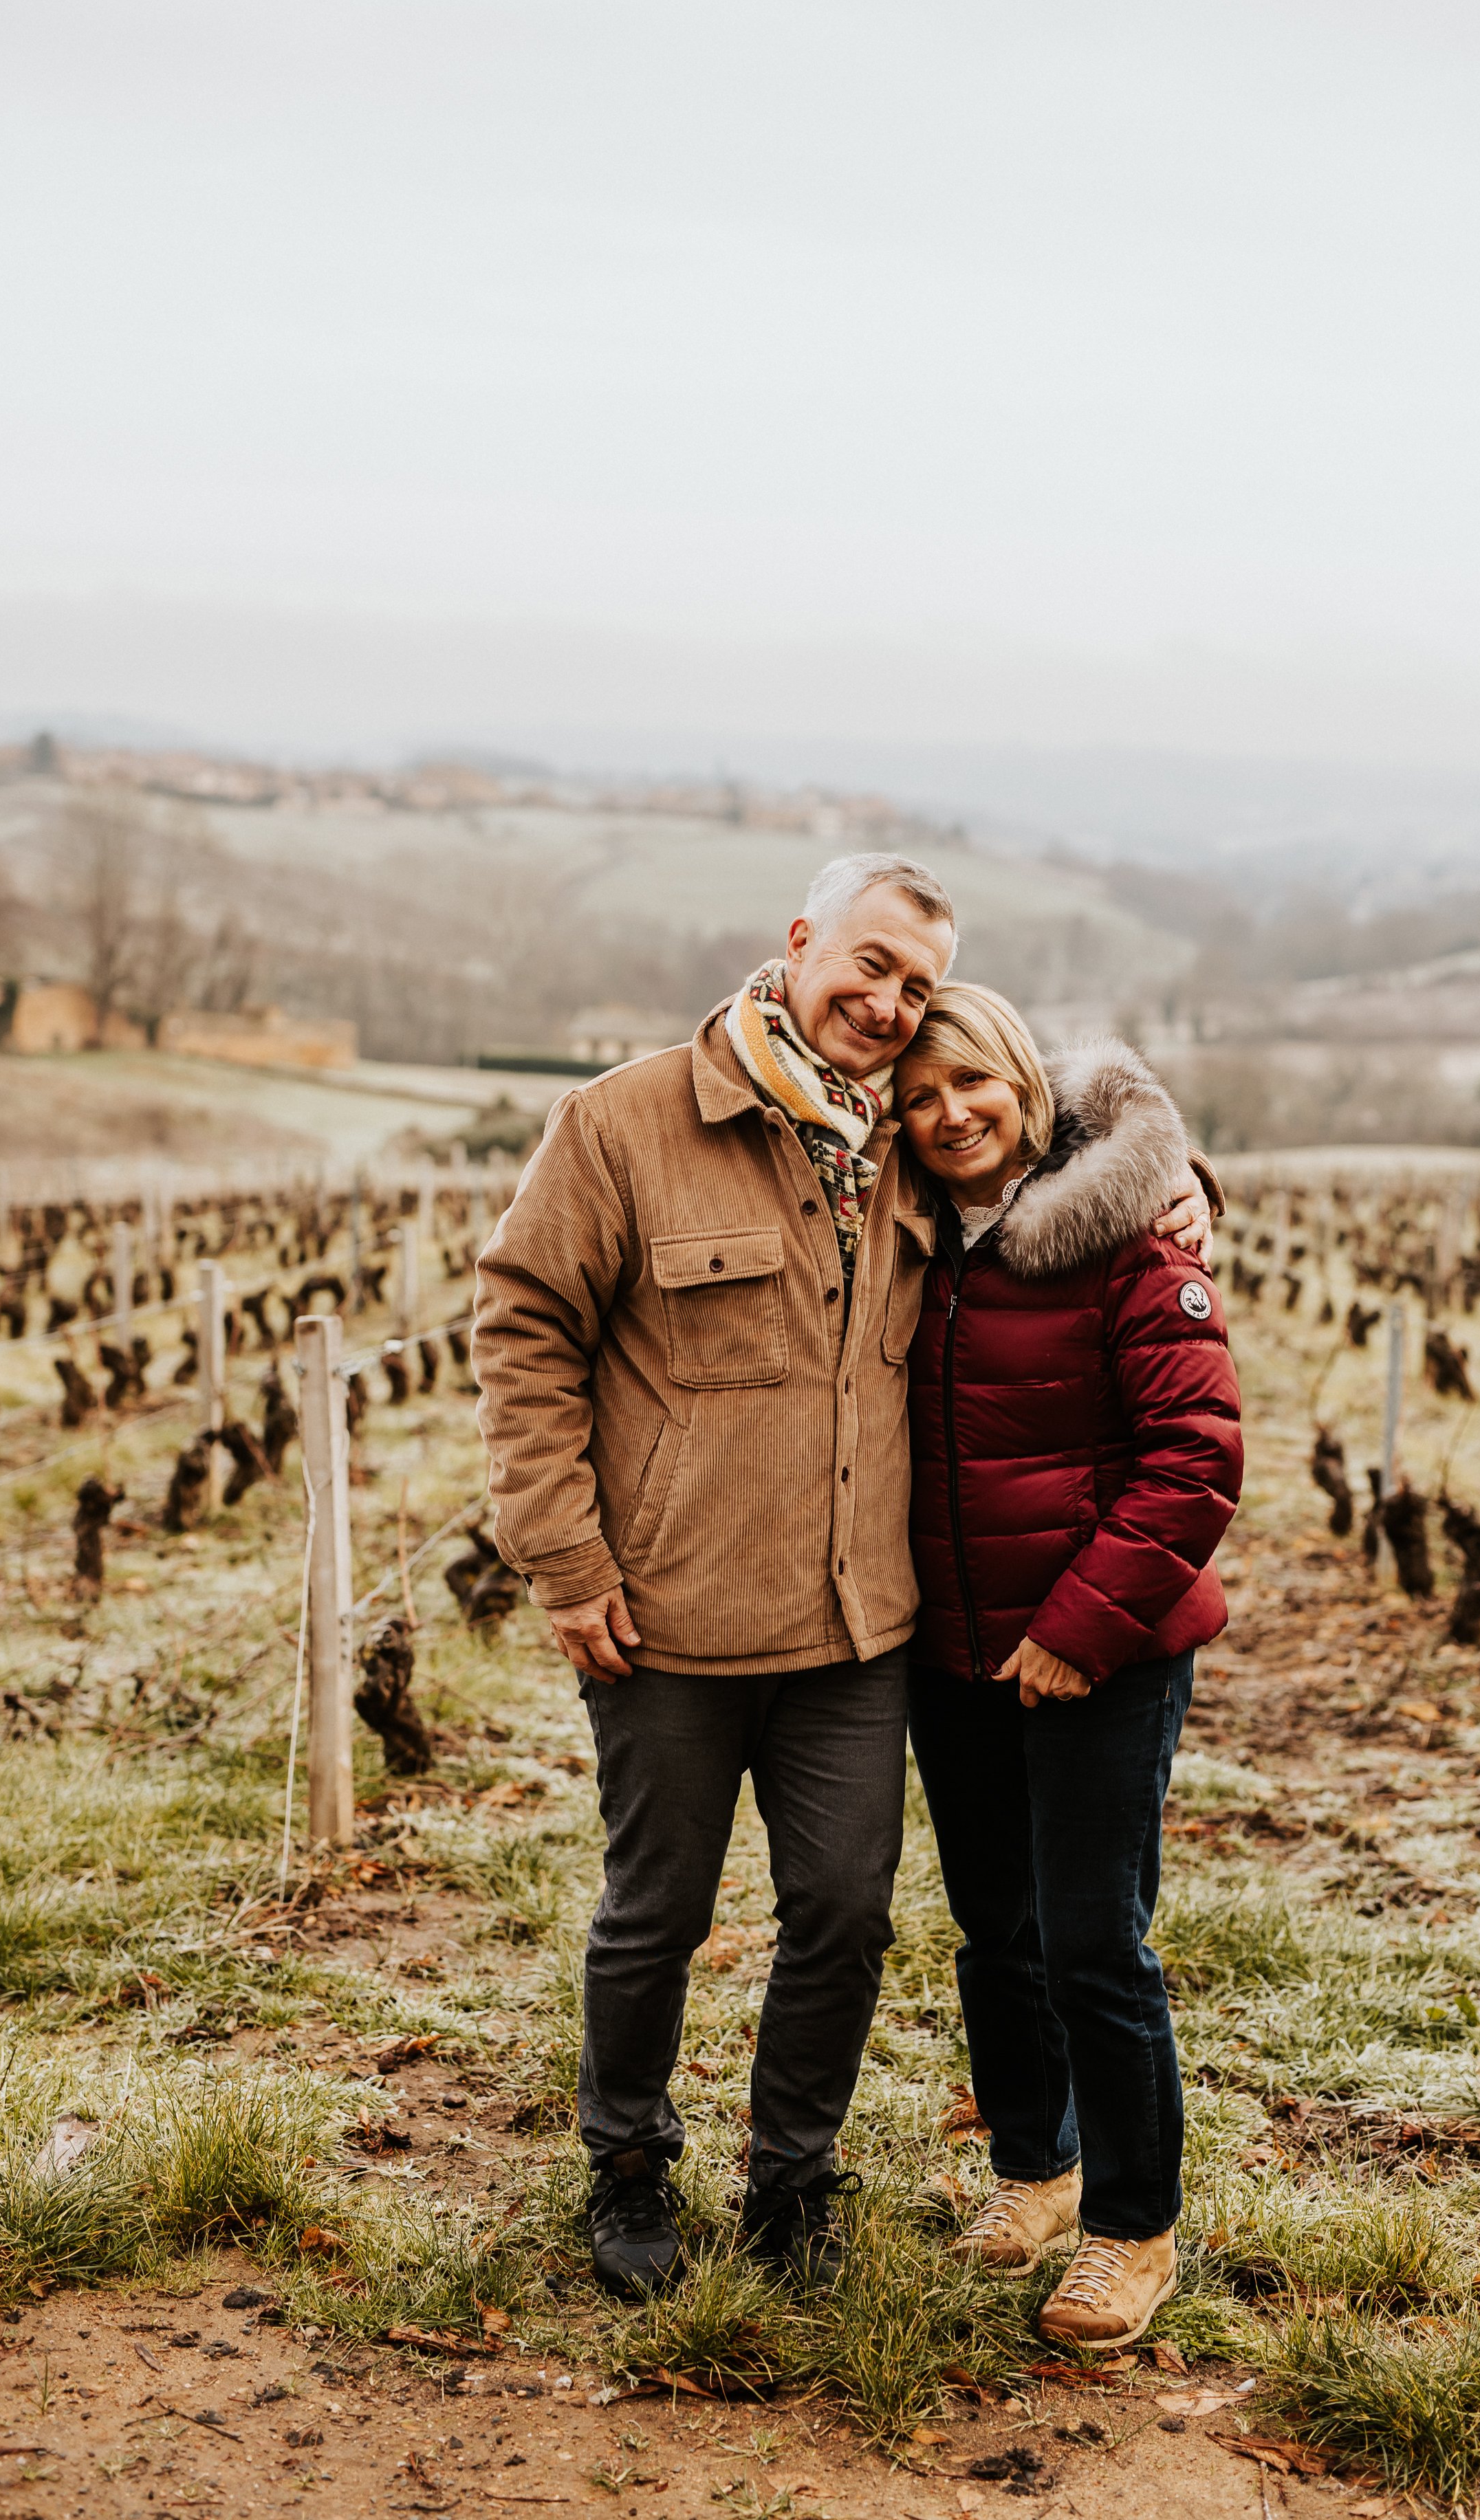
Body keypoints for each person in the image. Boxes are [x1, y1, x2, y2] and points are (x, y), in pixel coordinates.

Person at [472, 859, 1212, 2299]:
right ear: (799, 943)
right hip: (669, 1621)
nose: (887, 1006)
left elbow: (1045, 1140)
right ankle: (627, 2163)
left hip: (861, 1634)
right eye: (866, 966)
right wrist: (563, 1559)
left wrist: (1175, 1179)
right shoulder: (625, 1123)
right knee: (655, 1916)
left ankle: (792, 2182)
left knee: (845, 1915)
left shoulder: (904, 1151)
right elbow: (523, 1329)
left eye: (917, 986)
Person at [893, 983, 1241, 2351]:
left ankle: (1132, 2231)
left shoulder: (1128, 1239)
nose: (952, 1114)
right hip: (957, 1650)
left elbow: (1194, 1460)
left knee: (1097, 1943)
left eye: (972, 1083)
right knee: (999, 1936)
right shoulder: (917, 1243)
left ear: (1025, 1082)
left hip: (1103, 1654)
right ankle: (1034, 2174)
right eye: (921, 1099)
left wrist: (1077, 1632)